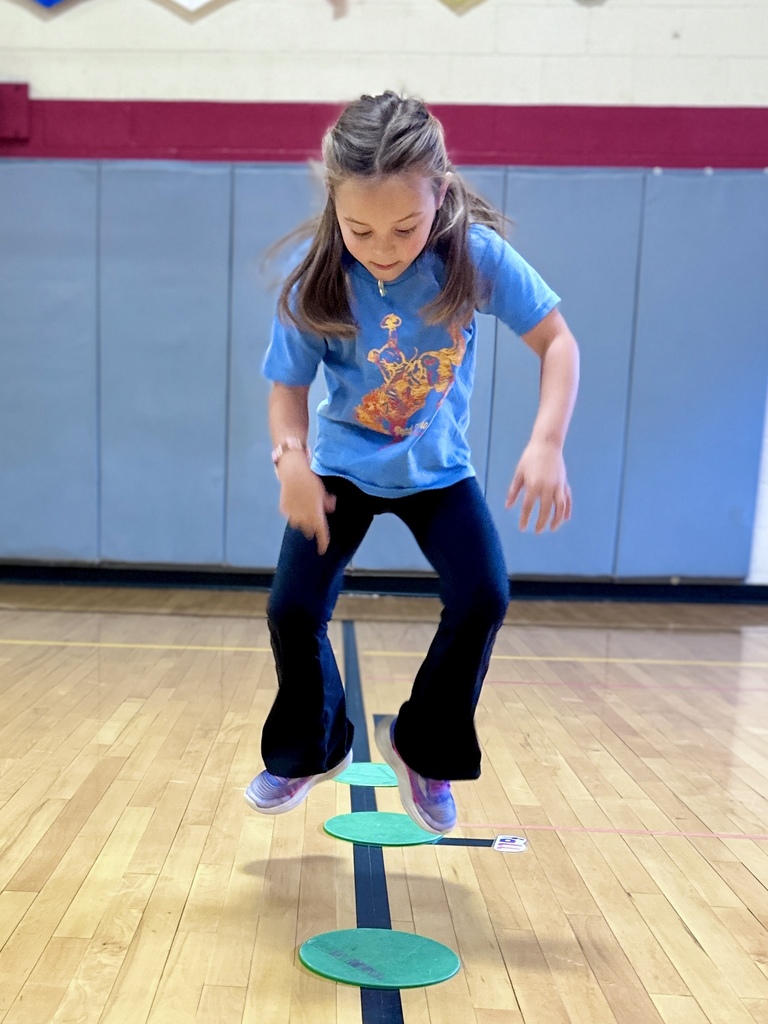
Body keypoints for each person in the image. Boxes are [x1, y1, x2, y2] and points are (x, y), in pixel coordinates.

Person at [244, 91, 579, 835]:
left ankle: (424, 747)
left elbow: (558, 342)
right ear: (334, 205)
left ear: (442, 194)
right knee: (292, 609)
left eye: (405, 226)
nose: (383, 246)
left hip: (437, 470)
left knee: (484, 595)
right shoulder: (317, 274)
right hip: (341, 467)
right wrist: (291, 459)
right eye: (360, 228)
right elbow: (287, 388)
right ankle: (308, 749)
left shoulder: (474, 259)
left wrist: (547, 440)